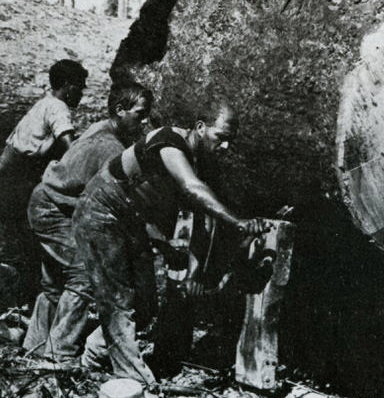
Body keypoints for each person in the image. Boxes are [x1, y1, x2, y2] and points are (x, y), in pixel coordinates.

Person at [71, 99, 267, 383]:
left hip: (131, 220)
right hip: (102, 210)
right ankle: (132, 379)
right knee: (118, 298)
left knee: (146, 301)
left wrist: (194, 274)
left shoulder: (205, 165)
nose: (225, 148)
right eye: (220, 138)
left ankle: (92, 360)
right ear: (200, 128)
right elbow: (191, 188)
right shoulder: (168, 140)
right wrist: (238, 223)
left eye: (230, 141)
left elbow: (204, 224)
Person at [22, 82, 153, 361]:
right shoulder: (110, 148)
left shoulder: (102, 127)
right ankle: (59, 355)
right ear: (120, 111)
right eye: (139, 114)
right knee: (83, 272)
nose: (144, 122)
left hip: (48, 200)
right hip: (53, 208)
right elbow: (112, 200)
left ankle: (34, 345)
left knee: (56, 279)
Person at [0, 59, 88, 325]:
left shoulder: (43, 103)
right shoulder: (57, 107)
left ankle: (21, 315)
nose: (82, 93)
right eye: (80, 87)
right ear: (68, 86)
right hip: (15, 183)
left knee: (25, 251)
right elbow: (70, 148)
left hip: (9, 180)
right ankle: (0, 319)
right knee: (15, 255)